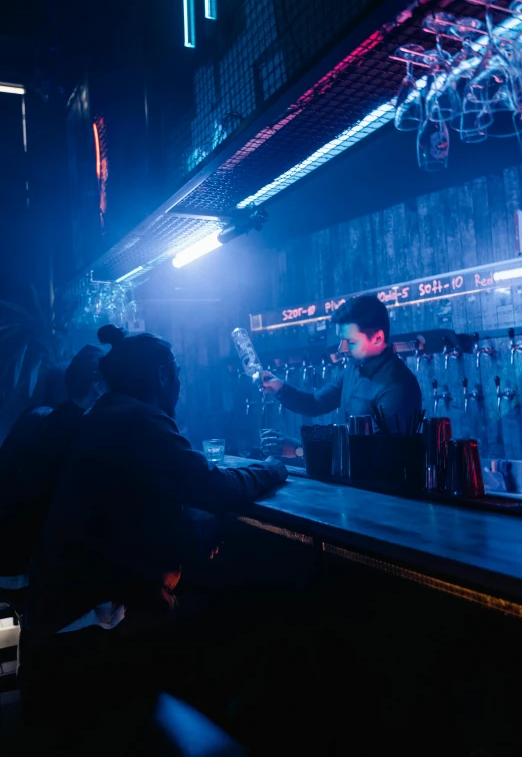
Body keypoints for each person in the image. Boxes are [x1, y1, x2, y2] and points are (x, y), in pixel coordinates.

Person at [24, 325, 289, 753]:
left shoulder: (106, 413)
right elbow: (211, 487)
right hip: (96, 621)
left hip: (63, 611)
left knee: (219, 594)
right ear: (164, 376)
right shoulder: (137, 418)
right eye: (178, 374)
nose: (180, 384)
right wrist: (273, 469)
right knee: (260, 604)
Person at [0, 346, 104, 617]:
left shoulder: (35, 418)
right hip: (28, 566)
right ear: (96, 384)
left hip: (11, 561)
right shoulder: (71, 428)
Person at [261, 294, 422, 459]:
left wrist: (300, 449)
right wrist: (280, 388)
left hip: (378, 483)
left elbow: (369, 449)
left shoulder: (398, 386)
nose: (341, 349)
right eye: (341, 340)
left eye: (350, 341)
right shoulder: (353, 369)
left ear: (378, 338)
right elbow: (315, 403)